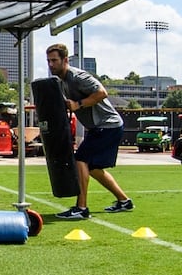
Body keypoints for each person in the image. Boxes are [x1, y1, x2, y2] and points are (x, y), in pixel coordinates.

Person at [46, 43, 133, 220]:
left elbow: (102, 92)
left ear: (65, 60)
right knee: (92, 168)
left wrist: (78, 104)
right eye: (48, 61)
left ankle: (81, 208)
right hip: (99, 127)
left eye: (54, 60)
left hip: (107, 125)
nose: (51, 64)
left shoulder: (77, 77)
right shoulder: (62, 82)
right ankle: (124, 201)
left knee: (81, 160)